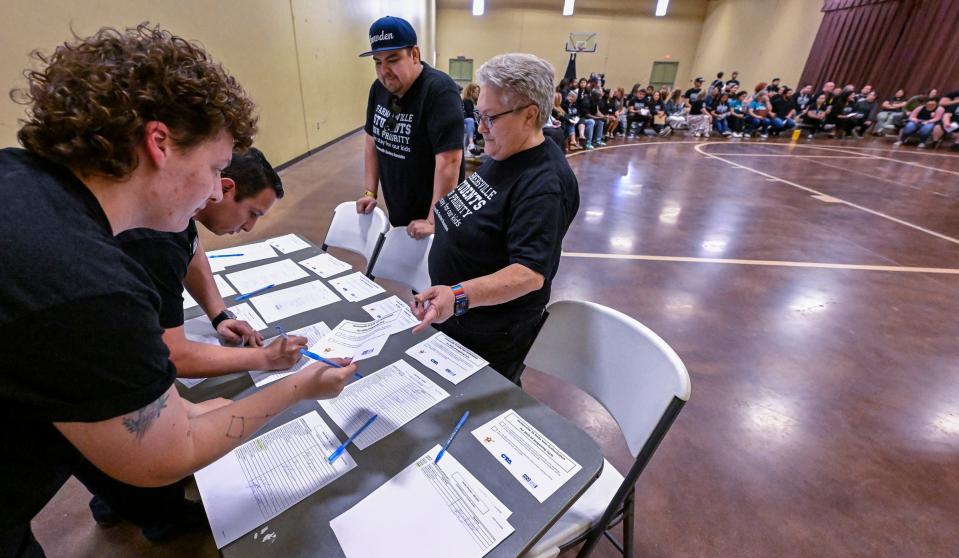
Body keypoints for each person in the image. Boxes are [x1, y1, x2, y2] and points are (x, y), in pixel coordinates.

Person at [0, 24, 358, 556]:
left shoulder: (21, 180)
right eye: (214, 168)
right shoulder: (90, 286)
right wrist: (301, 386)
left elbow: (166, 407)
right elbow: (166, 452)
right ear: (159, 143)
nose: (216, 189)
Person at [413, 53, 579, 385]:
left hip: (488, 335)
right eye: (478, 114)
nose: (482, 128)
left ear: (530, 115)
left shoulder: (544, 183)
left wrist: (459, 295)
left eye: (491, 117)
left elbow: (529, 274)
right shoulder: (505, 152)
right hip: (459, 321)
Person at [357, 16, 464, 239]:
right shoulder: (378, 89)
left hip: (437, 216)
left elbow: (450, 159)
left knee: (437, 273)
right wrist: (370, 191)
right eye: (378, 62)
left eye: (393, 60)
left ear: (414, 55)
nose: (384, 70)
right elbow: (371, 139)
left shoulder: (439, 91)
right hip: (400, 208)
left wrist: (434, 220)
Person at [462, 83, 480, 154]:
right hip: (469, 122)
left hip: (476, 122)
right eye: (476, 92)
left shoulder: (476, 101)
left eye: (478, 92)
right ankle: (471, 144)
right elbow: (470, 114)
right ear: (471, 92)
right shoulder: (467, 101)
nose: (478, 94)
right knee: (471, 121)